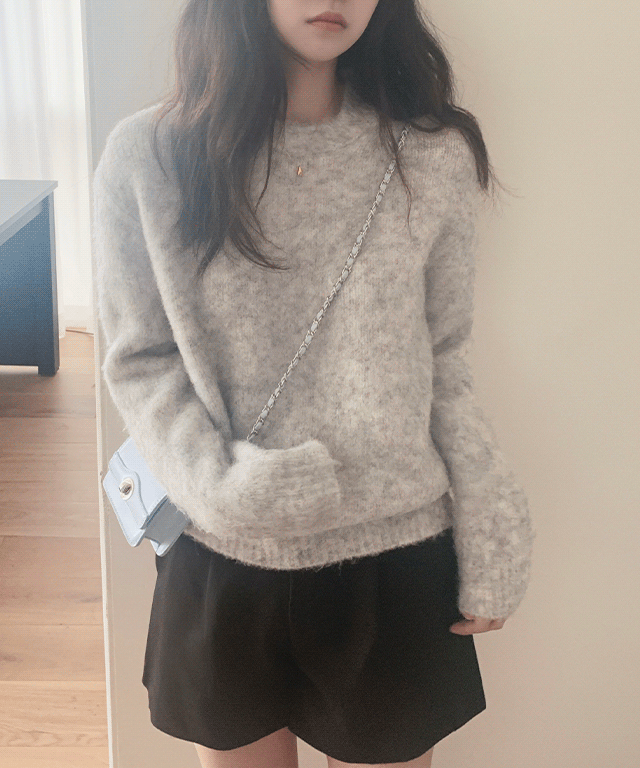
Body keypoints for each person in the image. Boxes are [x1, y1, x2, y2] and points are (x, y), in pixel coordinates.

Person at [92, 0, 535, 766]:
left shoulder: (432, 155)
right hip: (221, 552)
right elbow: (140, 359)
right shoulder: (151, 156)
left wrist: (492, 525)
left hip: (395, 555)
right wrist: (225, 490)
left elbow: (447, 358)